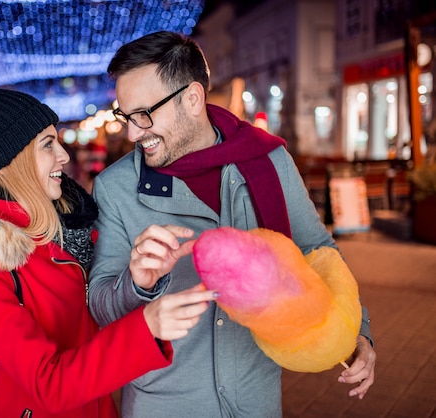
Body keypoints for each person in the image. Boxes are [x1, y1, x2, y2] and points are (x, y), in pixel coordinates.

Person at [88, 31, 377, 417]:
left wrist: (357, 330)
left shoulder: (268, 162)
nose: (132, 133)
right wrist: (136, 284)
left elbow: (319, 252)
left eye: (144, 115)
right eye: (126, 116)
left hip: (255, 401)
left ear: (192, 98)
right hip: (163, 405)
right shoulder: (115, 187)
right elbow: (100, 307)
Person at [0, 69, 217, 418]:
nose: (64, 156)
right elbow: (48, 384)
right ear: (10, 163)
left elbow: (91, 325)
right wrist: (146, 327)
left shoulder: (61, 230)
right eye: (47, 145)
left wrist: (137, 278)